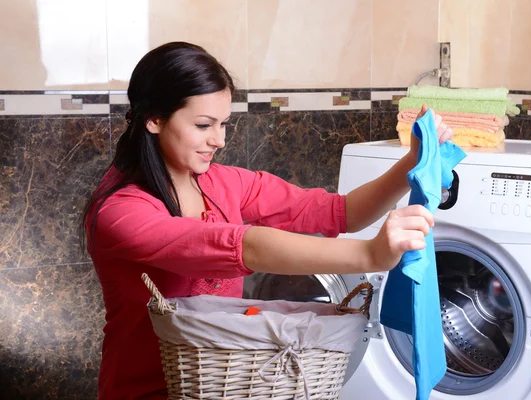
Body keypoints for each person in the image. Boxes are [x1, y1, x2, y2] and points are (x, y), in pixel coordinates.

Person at [81, 41, 454, 399]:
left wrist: (412, 162)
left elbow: (342, 212)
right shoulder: (120, 212)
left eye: (224, 124)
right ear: (154, 120)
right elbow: (247, 246)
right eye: (203, 125)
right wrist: (370, 256)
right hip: (147, 393)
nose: (219, 140)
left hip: (229, 388)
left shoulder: (225, 183)